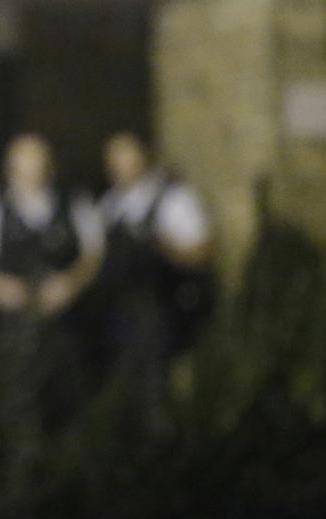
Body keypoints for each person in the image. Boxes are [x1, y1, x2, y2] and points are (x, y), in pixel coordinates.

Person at [0, 133, 104, 431]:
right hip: (16, 338)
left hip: (70, 332)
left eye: (38, 167)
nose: (31, 176)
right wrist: (1, 288)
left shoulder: (75, 204)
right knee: (17, 416)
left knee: (74, 415)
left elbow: (94, 258)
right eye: (23, 169)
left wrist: (70, 284)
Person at [97, 131, 214, 429]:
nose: (122, 165)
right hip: (122, 315)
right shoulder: (110, 205)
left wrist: (162, 246)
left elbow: (202, 252)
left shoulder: (174, 199)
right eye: (115, 158)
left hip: (163, 313)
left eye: (128, 156)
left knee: (162, 396)